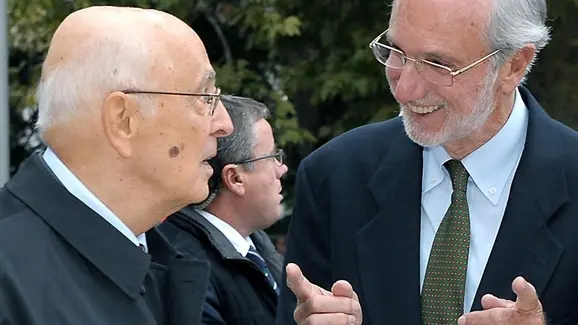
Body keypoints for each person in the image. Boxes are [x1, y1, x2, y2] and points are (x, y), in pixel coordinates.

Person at [275, 0, 578, 324]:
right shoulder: (334, 178)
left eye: (437, 64)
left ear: (514, 65)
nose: (404, 90)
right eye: (396, 51)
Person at [0, 6, 233, 325]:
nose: (224, 123)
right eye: (204, 97)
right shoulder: (12, 281)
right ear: (123, 120)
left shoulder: (156, 256)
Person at [160, 95, 288, 325]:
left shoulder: (253, 245)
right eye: (273, 157)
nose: (282, 169)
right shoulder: (188, 268)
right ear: (235, 178)